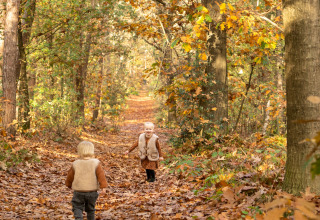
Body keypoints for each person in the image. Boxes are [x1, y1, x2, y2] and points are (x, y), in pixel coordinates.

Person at [66, 141, 107, 220]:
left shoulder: (75, 163)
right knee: (91, 209)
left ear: (79, 151)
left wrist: (68, 184)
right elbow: (101, 176)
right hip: (92, 192)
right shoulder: (96, 163)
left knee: (77, 207)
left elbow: (70, 176)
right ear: (92, 151)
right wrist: (103, 187)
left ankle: (79, 218)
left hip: (79, 191)